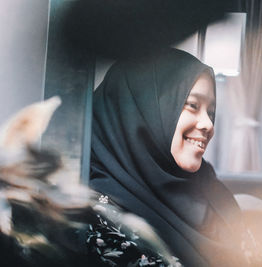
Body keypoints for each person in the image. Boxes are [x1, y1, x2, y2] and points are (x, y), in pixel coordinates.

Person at [89, 48, 252, 267]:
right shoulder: (100, 219)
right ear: (141, 111)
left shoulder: (212, 192)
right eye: (193, 105)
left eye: (211, 112)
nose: (208, 124)